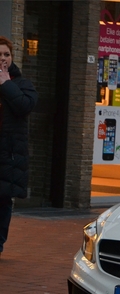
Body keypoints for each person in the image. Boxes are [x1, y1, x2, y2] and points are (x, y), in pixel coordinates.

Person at [0, 36, 38, 259]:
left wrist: (6, 83)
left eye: (6, 54)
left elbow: (24, 106)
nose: (3, 59)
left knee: (3, 199)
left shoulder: (22, 84)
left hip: (10, 153)